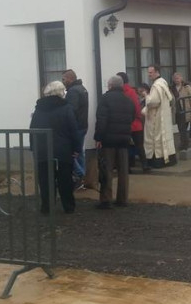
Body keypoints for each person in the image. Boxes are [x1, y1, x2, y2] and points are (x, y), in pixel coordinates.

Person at [29, 80, 81, 215]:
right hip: (63, 150)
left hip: (43, 150)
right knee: (65, 180)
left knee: (45, 180)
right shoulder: (66, 108)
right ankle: (68, 206)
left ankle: (47, 208)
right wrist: (76, 149)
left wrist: (34, 148)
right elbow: (73, 130)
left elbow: (32, 129)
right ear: (60, 92)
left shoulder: (39, 109)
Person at [93, 76, 136, 209]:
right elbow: (132, 117)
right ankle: (122, 199)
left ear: (110, 85)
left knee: (107, 170)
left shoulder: (105, 99)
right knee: (123, 171)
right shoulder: (128, 100)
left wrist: (98, 138)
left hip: (108, 140)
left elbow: (101, 120)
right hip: (124, 139)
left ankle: (106, 199)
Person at [143, 65, 177, 168]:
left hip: (157, 117)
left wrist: (146, 96)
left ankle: (157, 161)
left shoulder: (156, 85)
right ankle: (169, 159)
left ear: (157, 72)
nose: (149, 75)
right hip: (164, 115)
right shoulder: (163, 82)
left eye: (151, 72)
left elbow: (153, 102)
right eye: (148, 72)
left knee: (156, 138)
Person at [61, 69, 88, 189]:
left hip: (76, 126)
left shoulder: (73, 91)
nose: (63, 81)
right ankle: (82, 178)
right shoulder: (82, 88)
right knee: (80, 152)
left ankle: (79, 175)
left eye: (63, 79)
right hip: (83, 125)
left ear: (69, 78)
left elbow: (71, 110)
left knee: (71, 152)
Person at [117, 71, 148, 173]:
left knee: (125, 147)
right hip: (135, 123)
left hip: (124, 124)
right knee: (139, 146)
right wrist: (138, 117)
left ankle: (127, 167)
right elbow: (136, 106)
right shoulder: (131, 92)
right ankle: (145, 165)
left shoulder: (119, 92)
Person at [171, 72, 191, 151]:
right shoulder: (172, 88)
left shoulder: (186, 87)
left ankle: (184, 144)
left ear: (181, 78)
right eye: (175, 78)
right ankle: (184, 143)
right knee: (181, 128)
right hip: (176, 111)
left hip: (185, 111)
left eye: (178, 78)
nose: (176, 80)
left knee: (183, 128)